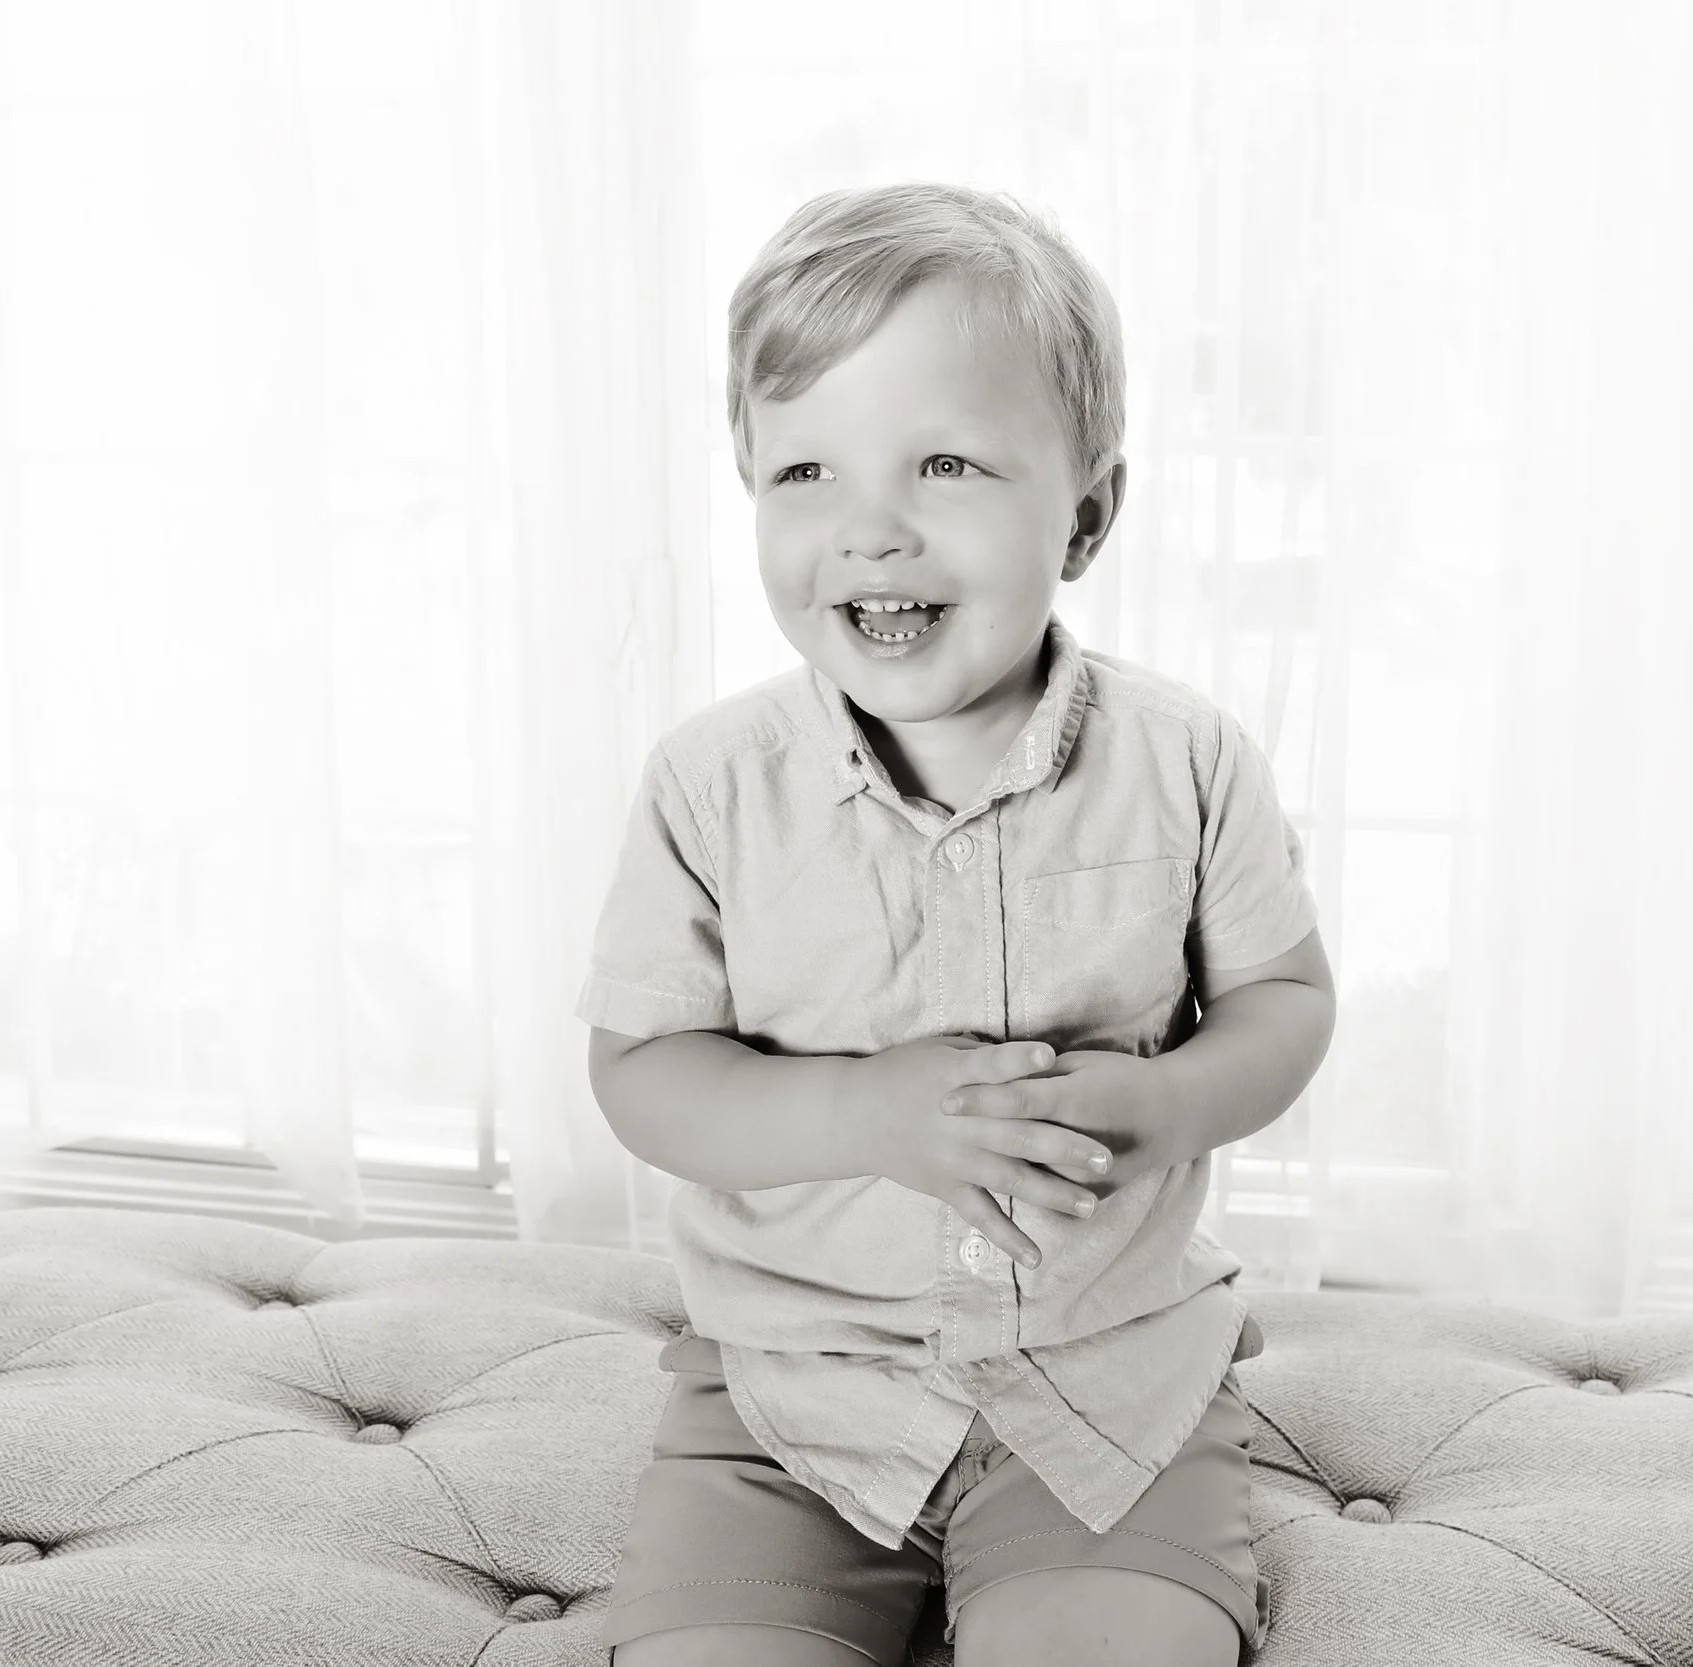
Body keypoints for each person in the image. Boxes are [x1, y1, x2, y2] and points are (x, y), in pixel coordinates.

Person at [578, 180, 1338, 1667]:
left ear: (1090, 511)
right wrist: (870, 1112)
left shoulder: (1185, 763)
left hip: (1111, 1388)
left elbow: (1288, 1000)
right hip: (785, 1395)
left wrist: (1170, 1097)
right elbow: (642, 1070)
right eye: (804, 473)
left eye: (944, 465)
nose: (868, 533)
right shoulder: (712, 785)